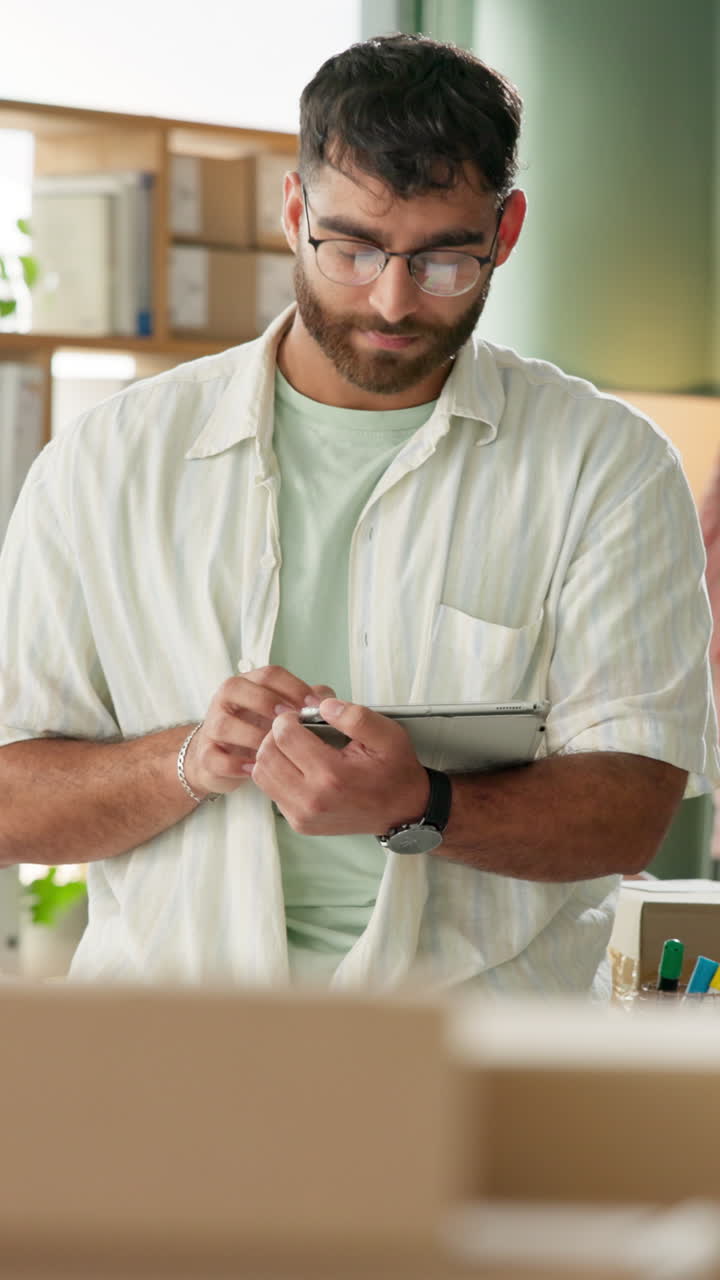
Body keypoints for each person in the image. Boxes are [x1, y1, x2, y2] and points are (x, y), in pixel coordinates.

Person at [0, 33, 717, 996]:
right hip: (173, 1035)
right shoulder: (105, 460)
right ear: (294, 211)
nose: (391, 300)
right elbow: (11, 799)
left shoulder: (607, 465)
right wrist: (185, 761)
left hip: (482, 1030)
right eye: (352, 248)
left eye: (444, 260)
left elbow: (632, 807)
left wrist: (422, 804)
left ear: (505, 233)